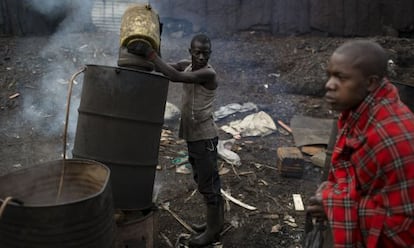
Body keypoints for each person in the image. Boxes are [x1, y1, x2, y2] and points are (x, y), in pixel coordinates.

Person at [306, 39, 414, 247]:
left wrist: (333, 206)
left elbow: (405, 228)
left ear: (371, 82)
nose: (329, 85)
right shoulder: (362, 111)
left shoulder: (390, 138)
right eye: (329, 75)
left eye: (341, 77)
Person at [127, 34, 224, 247]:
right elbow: (164, 68)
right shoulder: (187, 65)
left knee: (209, 185)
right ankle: (214, 223)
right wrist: (144, 58)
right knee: (203, 180)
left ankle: (213, 231)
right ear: (190, 52)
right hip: (194, 135)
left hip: (204, 136)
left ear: (210, 54)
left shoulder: (208, 73)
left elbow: (174, 76)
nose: (201, 56)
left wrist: (150, 53)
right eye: (196, 52)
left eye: (205, 53)